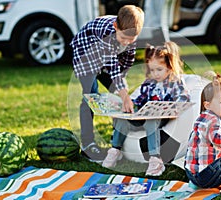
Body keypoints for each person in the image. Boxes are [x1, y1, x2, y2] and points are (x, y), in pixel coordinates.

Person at [102, 41, 190, 176]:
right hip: (142, 115)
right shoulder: (149, 83)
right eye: (152, 70)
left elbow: (184, 99)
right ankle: (115, 150)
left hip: (160, 117)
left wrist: (172, 108)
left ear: (170, 66)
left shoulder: (175, 82)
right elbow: (138, 99)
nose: (155, 74)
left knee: (151, 121)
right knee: (121, 120)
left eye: (159, 70)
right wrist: (126, 105)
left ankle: (155, 159)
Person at [70, 5, 144, 162]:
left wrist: (121, 89)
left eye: (132, 39)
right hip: (86, 52)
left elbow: (127, 62)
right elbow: (112, 65)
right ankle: (88, 144)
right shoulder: (107, 33)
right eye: (124, 38)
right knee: (91, 96)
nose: (128, 42)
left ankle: (117, 137)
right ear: (115, 26)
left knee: (118, 93)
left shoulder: (129, 36)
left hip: (105, 56)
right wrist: (123, 93)